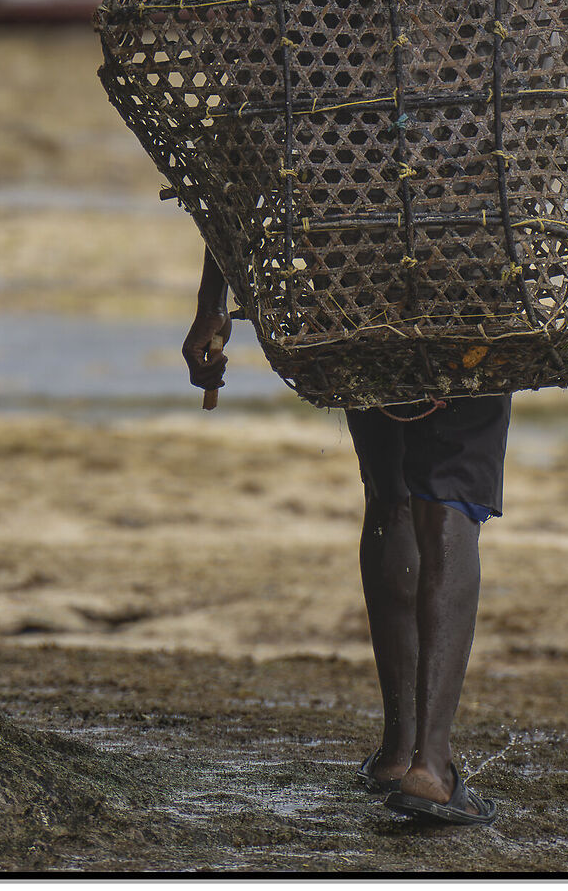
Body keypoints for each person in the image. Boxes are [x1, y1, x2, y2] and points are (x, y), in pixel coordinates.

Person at [183, 251, 502, 826]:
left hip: (357, 286)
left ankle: (397, 752)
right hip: (466, 286)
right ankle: (430, 767)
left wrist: (212, 304)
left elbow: (238, 170)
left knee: (391, 496)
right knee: (447, 501)